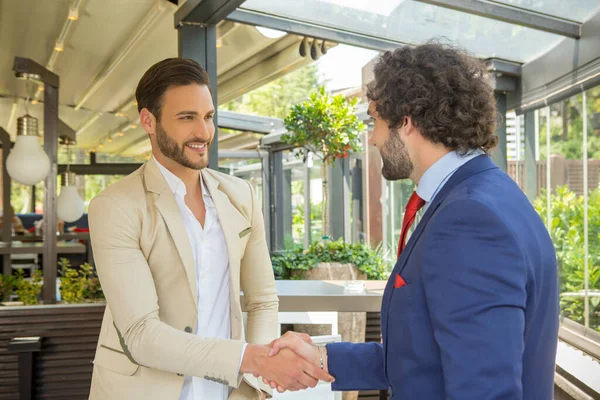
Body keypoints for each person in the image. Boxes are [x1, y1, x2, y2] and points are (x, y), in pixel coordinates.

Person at [268, 42, 559, 400]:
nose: (372, 139)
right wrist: (321, 358)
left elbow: (485, 391)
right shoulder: (486, 195)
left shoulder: (470, 221)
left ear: (406, 121)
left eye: (375, 120)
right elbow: (426, 355)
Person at [88, 58, 332, 400]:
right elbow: (141, 333)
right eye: (187, 117)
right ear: (148, 120)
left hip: (229, 393)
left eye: (208, 116)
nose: (203, 132)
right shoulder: (115, 206)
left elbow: (262, 301)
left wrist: (264, 372)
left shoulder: (241, 195)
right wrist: (252, 360)